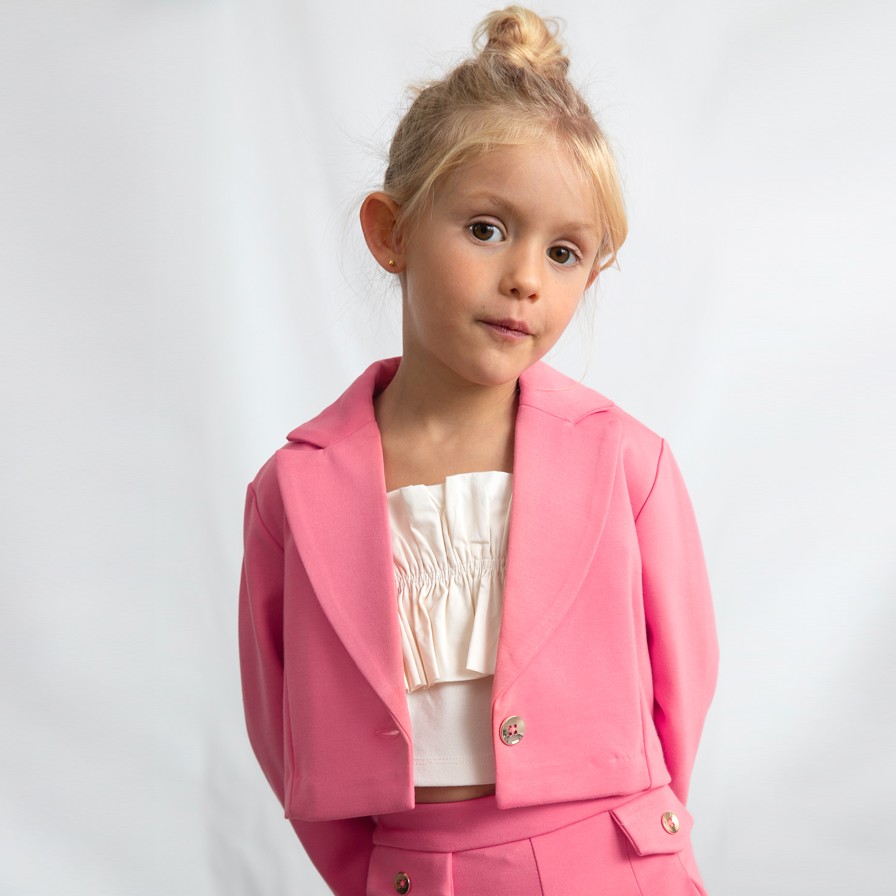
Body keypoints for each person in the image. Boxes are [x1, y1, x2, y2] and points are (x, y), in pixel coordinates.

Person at [238, 6, 718, 895]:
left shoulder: (626, 463)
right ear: (391, 232)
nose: (525, 278)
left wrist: (635, 854)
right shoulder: (291, 492)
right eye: (487, 229)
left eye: (565, 252)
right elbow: (288, 738)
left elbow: (681, 691)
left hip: (613, 866)